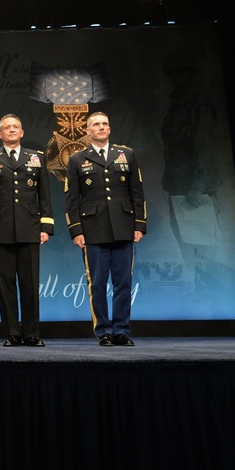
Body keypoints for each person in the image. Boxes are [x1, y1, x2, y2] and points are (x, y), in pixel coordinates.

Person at [64, 112, 146, 346]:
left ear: (109, 129)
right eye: (95, 125)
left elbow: (137, 193)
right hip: (93, 230)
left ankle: (121, 330)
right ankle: (104, 331)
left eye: (104, 124)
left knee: (124, 282)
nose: (101, 127)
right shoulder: (77, 159)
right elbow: (71, 199)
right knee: (97, 283)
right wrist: (76, 230)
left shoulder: (126, 154)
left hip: (123, 226)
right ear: (87, 131)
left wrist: (139, 224)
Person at [0, 114, 54, 347]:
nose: (11, 130)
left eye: (15, 127)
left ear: (22, 133)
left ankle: (31, 333)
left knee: (30, 283)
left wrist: (45, 227)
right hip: (0, 229)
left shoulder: (36, 158)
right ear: (0, 134)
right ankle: (12, 332)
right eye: (6, 128)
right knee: (5, 283)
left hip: (30, 229)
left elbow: (45, 197)